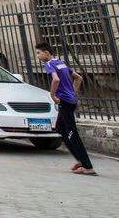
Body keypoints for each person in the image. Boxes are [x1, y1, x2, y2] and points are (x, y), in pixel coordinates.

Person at [35, 41, 95, 176]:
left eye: (39, 53)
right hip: (70, 100)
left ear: (46, 53)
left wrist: (52, 94)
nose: (37, 56)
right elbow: (78, 78)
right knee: (60, 128)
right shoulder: (61, 63)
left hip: (65, 101)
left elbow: (55, 80)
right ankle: (80, 160)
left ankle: (87, 166)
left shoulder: (49, 64)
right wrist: (73, 93)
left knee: (72, 133)